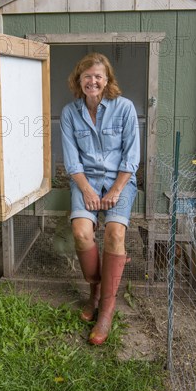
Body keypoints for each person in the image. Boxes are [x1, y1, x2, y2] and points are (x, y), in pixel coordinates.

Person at [60, 52, 140, 345]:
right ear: (78, 80)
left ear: (107, 80)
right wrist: (87, 190)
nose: (92, 81)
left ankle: (106, 308)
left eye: (98, 76)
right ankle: (94, 290)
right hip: (86, 183)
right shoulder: (70, 113)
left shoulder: (125, 108)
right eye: (87, 76)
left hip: (120, 181)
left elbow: (131, 158)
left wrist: (116, 190)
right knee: (81, 232)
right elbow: (72, 162)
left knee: (114, 233)